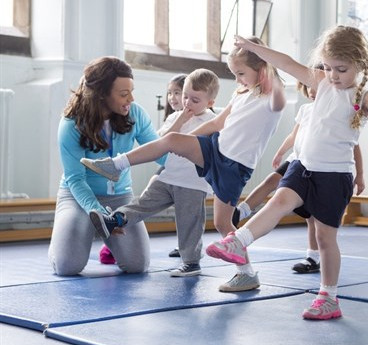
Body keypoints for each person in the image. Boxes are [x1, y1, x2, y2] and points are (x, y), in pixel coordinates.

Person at [205, 26, 368, 320]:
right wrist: (256, 49)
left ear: (360, 66)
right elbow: (286, 63)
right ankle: (239, 241)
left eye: (341, 69)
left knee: (326, 239)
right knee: (278, 202)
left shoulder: (363, 98)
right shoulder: (321, 82)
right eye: (327, 67)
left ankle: (329, 296)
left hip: (334, 176)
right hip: (303, 167)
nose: (333, 75)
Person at [80, 37, 286, 292]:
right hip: (215, 150)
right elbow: (216, 124)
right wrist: (186, 141)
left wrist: (263, 57)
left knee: (223, 224)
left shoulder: (272, 99)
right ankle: (115, 165)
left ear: (263, 69)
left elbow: (277, 94)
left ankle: (247, 274)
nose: (238, 80)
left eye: (241, 73)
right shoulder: (241, 93)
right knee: (172, 139)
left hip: (234, 166)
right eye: (234, 74)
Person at [89, 69, 217, 277]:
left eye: (195, 100)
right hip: (168, 176)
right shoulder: (175, 117)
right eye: (185, 97)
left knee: (189, 222)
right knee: (143, 202)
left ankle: (191, 262)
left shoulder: (211, 122)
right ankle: (115, 220)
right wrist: (181, 119)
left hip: (192, 182)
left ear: (209, 103)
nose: (187, 103)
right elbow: (161, 142)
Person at [233, 80, 366, 274]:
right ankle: (241, 211)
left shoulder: (337, 113)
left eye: (317, 88)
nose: (312, 92)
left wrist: (360, 175)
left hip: (322, 169)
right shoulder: (305, 110)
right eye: (309, 87)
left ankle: (313, 257)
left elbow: (355, 146)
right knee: (271, 181)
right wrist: (280, 152)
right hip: (297, 161)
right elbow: (293, 136)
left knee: (313, 217)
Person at [48, 56, 165, 276]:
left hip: (120, 197)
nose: (131, 98)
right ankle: (68, 237)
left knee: (137, 265)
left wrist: (196, 164)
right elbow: (75, 179)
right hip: (78, 196)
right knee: (67, 267)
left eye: (131, 91)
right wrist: (101, 216)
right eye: (123, 94)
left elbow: (160, 152)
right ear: (101, 94)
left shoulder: (135, 113)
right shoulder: (71, 124)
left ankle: (109, 243)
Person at [163, 73, 188, 259]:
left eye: (177, 92)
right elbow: (162, 140)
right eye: (169, 93)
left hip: (189, 172)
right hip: (171, 167)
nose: (172, 97)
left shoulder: (203, 116)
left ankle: (185, 246)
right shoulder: (173, 118)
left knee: (186, 211)